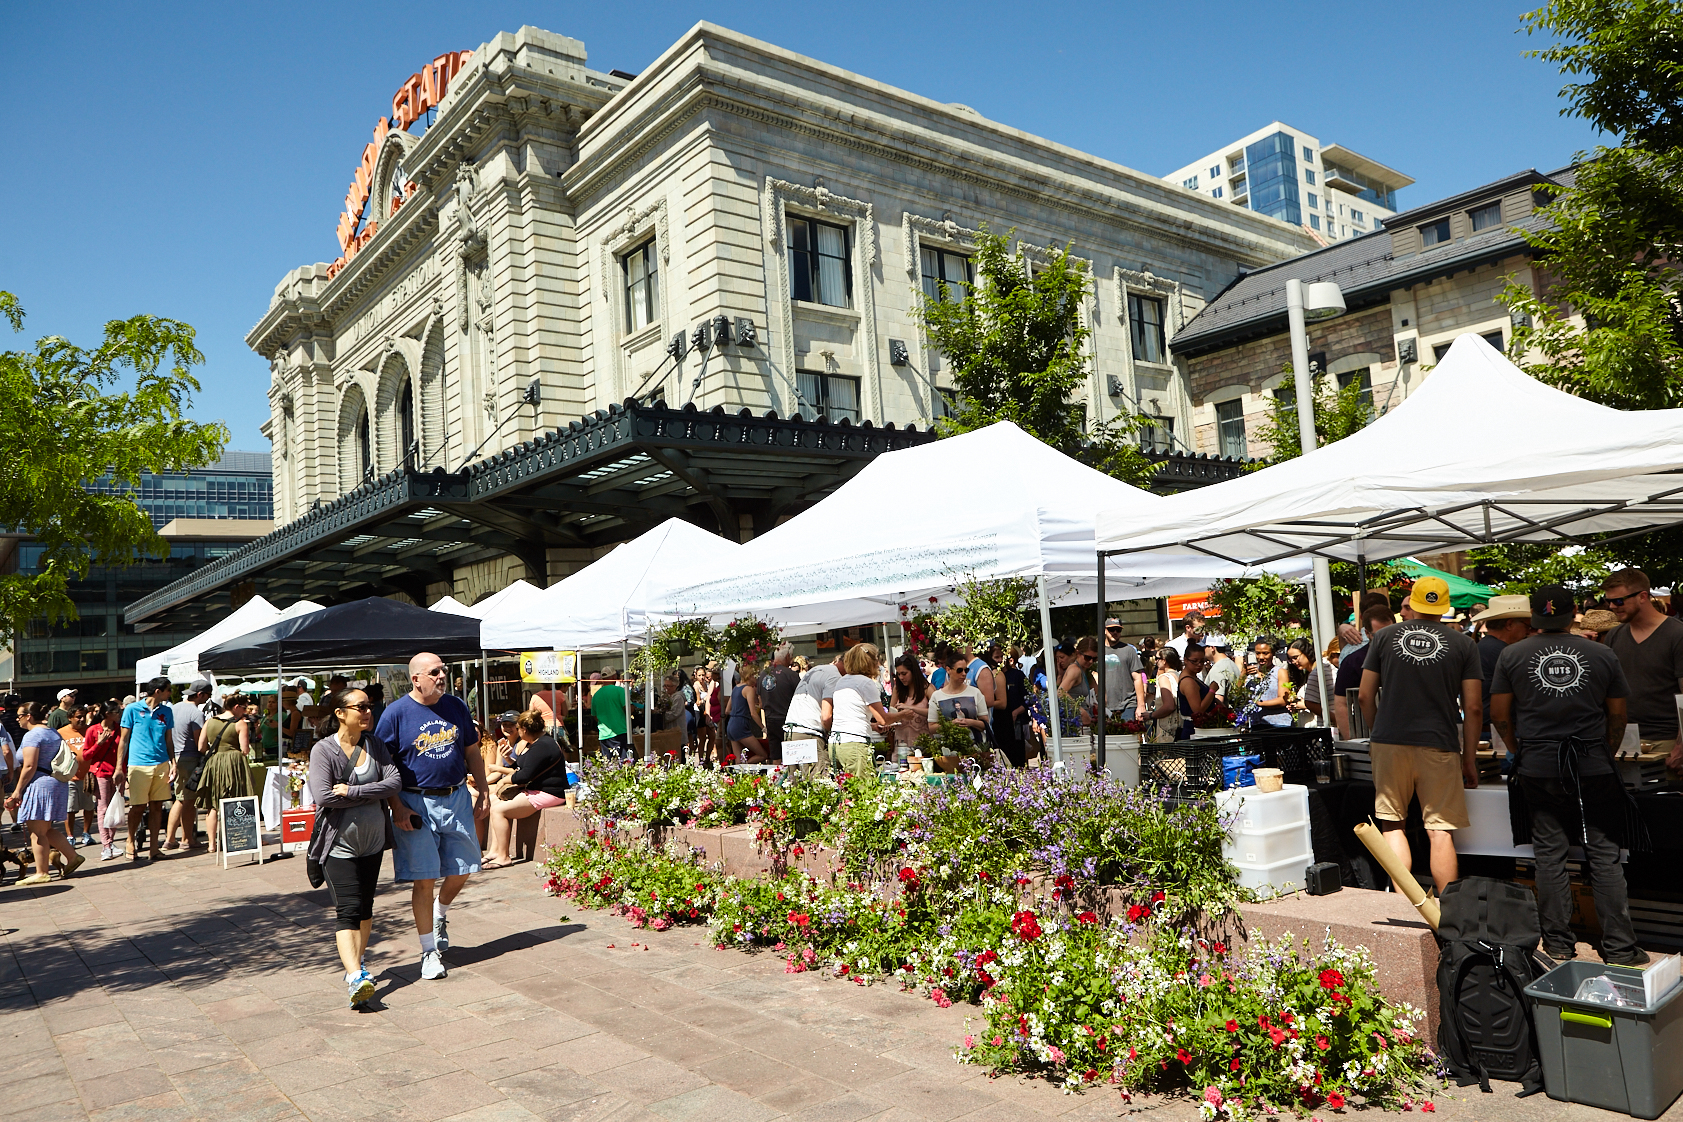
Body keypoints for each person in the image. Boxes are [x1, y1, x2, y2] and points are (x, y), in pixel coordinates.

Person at [1490, 585, 1647, 965]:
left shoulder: (1512, 654)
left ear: (1534, 614)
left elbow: (1499, 714)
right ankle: (1620, 948)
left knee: (1550, 855)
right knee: (1604, 856)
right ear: (1573, 610)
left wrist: (1516, 748)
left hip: (1539, 764)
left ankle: (1559, 943)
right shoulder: (1602, 653)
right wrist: (1605, 751)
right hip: (1592, 763)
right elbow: (1618, 714)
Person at [1359, 576, 1483, 895]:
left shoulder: (1383, 637)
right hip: (1439, 743)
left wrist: (1377, 732)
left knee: (1393, 825)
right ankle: (1449, 911)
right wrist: (1469, 759)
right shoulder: (1463, 644)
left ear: (1411, 604)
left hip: (1389, 742)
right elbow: (1473, 707)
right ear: (1444, 608)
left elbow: (1364, 696)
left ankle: (1407, 908)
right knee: (1440, 832)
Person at [376, 651, 489, 982]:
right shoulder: (395, 714)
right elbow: (383, 766)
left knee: (465, 867)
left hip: (456, 798)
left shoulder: (456, 706)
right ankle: (429, 952)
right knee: (424, 879)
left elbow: (471, 750)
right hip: (415, 804)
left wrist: (483, 790)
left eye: (444, 670)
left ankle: (440, 912)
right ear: (416, 679)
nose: (442, 676)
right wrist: (397, 807)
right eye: (434, 672)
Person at [308, 686, 403, 1008]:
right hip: (339, 845)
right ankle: (354, 976)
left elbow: (394, 782)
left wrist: (352, 791)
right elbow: (324, 796)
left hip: (373, 843)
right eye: (360, 707)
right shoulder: (324, 750)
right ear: (340, 713)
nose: (368, 712)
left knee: (365, 907)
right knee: (348, 909)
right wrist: (373, 791)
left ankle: (358, 964)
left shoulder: (375, 745)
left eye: (369, 706)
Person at [1600, 568, 1683, 777]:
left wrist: (1680, 747)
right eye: (1608, 601)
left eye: (1619, 601)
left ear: (1643, 596)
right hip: (1624, 742)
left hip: (1665, 742)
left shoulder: (1676, 634)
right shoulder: (1614, 636)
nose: (1612, 607)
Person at [4, 702, 83, 884]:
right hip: (55, 782)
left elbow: (29, 765)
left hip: (39, 785)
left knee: (37, 833)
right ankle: (73, 857)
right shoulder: (52, 732)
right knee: (46, 830)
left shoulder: (33, 735)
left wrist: (17, 791)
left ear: (29, 716)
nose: (17, 719)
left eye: (19, 716)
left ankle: (41, 872)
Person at [483, 710, 569, 869]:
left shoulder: (543, 746)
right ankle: (495, 851)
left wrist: (505, 780)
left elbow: (524, 775)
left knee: (498, 811)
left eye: (518, 728)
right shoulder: (536, 743)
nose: (518, 732)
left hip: (550, 793)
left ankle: (503, 857)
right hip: (536, 790)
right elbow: (522, 766)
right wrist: (508, 758)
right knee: (494, 802)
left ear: (524, 729)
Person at [117, 677, 176, 862]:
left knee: (157, 806)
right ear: (158, 691)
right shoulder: (132, 709)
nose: (170, 693)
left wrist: (173, 763)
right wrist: (119, 767)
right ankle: (130, 841)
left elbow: (169, 740)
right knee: (138, 806)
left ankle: (154, 848)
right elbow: (123, 740)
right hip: (139, 764)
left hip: (161, 763)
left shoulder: (167, 711)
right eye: (168, 690)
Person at [1470, 595, 1534, 765]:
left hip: (1489, 732)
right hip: (1500, 735)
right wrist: (1513, 748)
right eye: (1527, 626)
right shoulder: (1504, 653)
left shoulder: (1484, 647)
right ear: (1509, 624)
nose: (1528, 632)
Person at [197, 693, 256, 854]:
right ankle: (237, 839)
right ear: (236, 707)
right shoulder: (240, 724)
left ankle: (211, 844)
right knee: (236, 800)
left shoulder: (210, 721)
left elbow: (201, 747)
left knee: (213, 804)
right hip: (233, 763)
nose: (245, 711)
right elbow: (245, 750)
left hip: (214, 763)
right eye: (244, 708)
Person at [824, 643, 892, 776]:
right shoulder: (866, 683)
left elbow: (849, 716)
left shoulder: (842, 681)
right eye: (876, 659)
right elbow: (883, 719)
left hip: (835, 744)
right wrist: (904, 714)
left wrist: (872, 726)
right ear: (869, 662)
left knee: (844, 787)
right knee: (864, 786)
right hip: (854, 744)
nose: (878, 664)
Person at [164, 679, 212, 852]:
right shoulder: (196, 713)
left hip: (175, 758)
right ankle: (186, 839)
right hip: (190, 758)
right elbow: (200, 742)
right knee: (189, 801)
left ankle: (170, 839)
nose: (207, 699)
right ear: (200, 694)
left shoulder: (174, 708)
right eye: (207, 695)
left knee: (179, 799)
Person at [784, 655, 840, 768]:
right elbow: (826, 717)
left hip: (791, 732)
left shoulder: (816, 670)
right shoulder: (835, 676)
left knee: (794, 778)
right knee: (817, 777)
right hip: (809, 734)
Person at [928, 649, 990, 748]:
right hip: (947, 747)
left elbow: (985, 723)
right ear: (948, 670)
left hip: (975, 746)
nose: (964, 674)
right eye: (959, 670)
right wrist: (951, 724)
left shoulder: (975, 692)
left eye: (966, 670)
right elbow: (931, 727)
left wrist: (970, 722)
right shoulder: (937, 696)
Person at [84, 703, 123, 860]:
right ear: (107, 713)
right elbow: (85, 755)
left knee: (116, 807)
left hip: (118, 773)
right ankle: (106, 845)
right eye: (116, 711)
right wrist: (98, 743)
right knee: (103, 808)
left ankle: (111, 842)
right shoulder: (93, 730)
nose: (119, 714)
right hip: (101, 773)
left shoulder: (121, 729)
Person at [56, 706, 94, 848]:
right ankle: (70, 836)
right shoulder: (61, 733)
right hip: (69, 777)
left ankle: (86, 833)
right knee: (70, 808)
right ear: (70, 717)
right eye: (78, 717)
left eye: (83, 716)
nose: (82, 719)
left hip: (88, 776)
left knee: (89, 806)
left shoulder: (90, 730)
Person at [757, 644, 800, 763]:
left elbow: (760, 703)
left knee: (776, 756)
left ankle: (777, 774)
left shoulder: (762, 675)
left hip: (770, 720)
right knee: (792, 755)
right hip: (789, 721)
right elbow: (800, 699)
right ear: (787, 656)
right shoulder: (791, 675)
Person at [1103, 618, 1148, 722]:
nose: (1115, 632)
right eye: (1111, 629)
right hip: (1105, 706)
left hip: (1128, 704)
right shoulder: (1098, 650)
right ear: (1105, 630)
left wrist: (1141, 705)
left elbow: (1138, 678)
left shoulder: (1129, 650)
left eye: (1118, 630)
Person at [887, 653, 933, 753]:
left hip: (922, 743)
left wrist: (911, 708)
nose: (901, 677)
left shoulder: (927, 688)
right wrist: (898, 715)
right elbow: (890, 713)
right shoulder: (898, 689)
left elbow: (936, 712)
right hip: (901, 742)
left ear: (913, 672)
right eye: (898, 674)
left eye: (904, 674)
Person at [724, 664, 768, 764]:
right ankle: (746, 767)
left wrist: (738, 711)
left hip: (731, 724)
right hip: (741, 725)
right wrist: (763, 728)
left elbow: (727, 710)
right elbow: (753, 713)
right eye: (755, 675)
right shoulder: (749, 689)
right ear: (750, 675)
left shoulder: (736, 688)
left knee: (738, 759)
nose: (757, 678)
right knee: (762, 755)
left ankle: (740, 771)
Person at [591, 673, 630, 759]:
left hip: (603, 734)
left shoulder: (596, 695)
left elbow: (595, 716)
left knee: (608, 762)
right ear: (614, 677)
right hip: (620, 730)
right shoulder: (620, 690)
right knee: (623, 761)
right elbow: (629, 708)